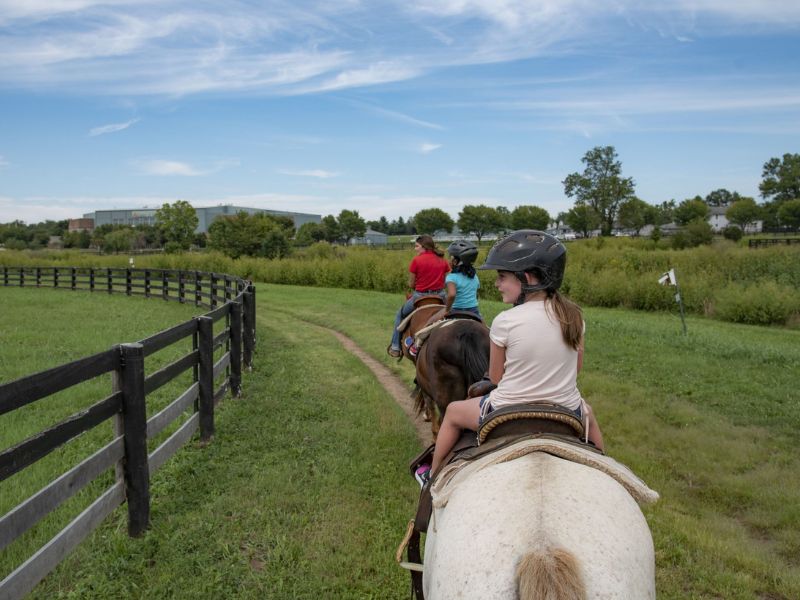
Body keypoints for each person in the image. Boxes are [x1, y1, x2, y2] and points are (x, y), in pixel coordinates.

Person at [423, 230, 604, 480]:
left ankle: (433, 479)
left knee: (453, 411)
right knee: (590, 419)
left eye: (502, 277)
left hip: (508, 408)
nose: (497, 284)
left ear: (527, 277)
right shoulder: (574, 316)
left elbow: (495, 377)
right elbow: (576, 370)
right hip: (567, 407)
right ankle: (603, 469)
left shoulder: (506, 320)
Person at [387, 235, 450, 358]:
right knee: (455, 313)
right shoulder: (443, 261)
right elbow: (449, 279)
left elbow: (411, 283)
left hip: (420, 296)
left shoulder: (417, 261)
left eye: (416, 246)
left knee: (400, 314)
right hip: (440, 295)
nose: (415, 249)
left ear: (424, 247)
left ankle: (395, 347)